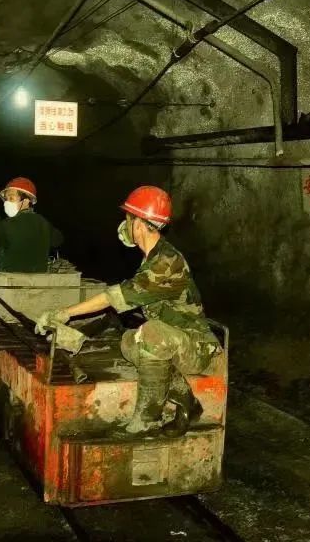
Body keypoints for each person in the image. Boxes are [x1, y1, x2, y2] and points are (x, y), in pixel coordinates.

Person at [35, 186, 220, 437]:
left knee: (150, 334)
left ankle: (147, 420)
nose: (125, 224)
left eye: (129, 218)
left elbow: (116, 296)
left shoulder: (166, 262)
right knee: (128, 342)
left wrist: (64, 313)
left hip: (198, 347)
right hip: (176, 341)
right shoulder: (152, 257)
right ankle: (186, 399)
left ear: (140, 224)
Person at [0, 177, 63, 273]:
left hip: (11, 278)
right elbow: (58, 240)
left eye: (11, 198)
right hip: (38, 278)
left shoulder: (6, 224)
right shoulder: (43, 222)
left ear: (26, 200)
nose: (7, 203)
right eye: (6, 199)